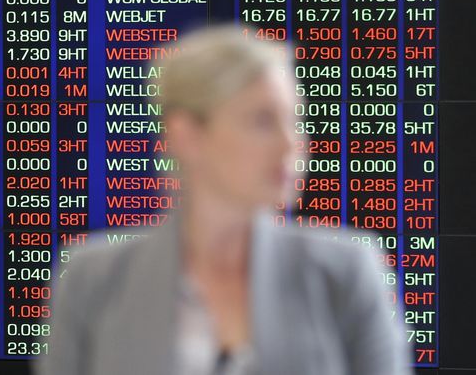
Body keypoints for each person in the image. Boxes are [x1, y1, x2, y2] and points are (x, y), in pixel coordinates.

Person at [34, 23, 412, 375]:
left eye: (294, 121)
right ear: (186, 136)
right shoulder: (91, 280)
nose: (290, 145)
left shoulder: (345, 269)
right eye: (262, 121)